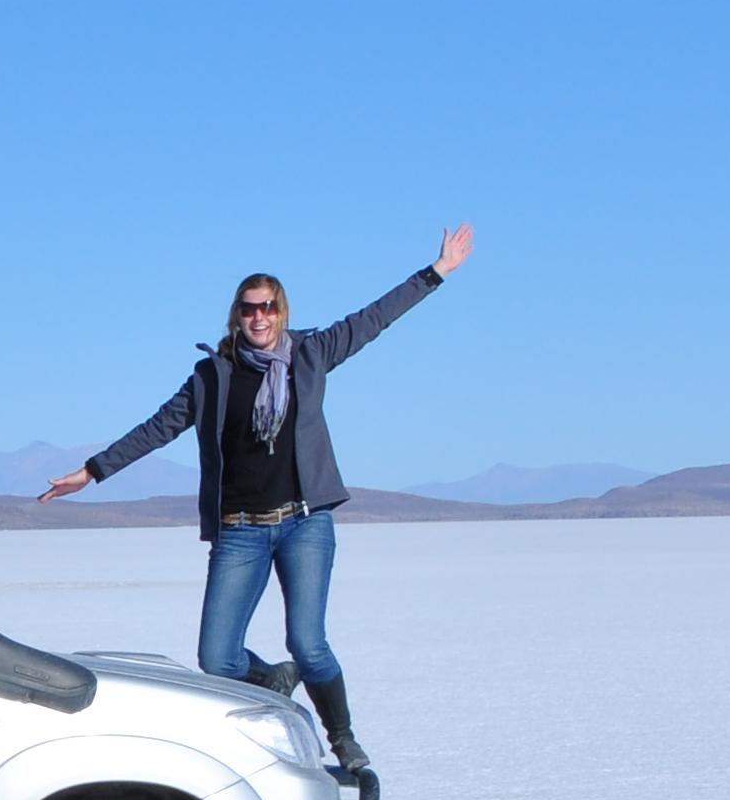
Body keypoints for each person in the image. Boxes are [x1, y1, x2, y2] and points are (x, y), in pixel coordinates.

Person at [37, 227, 476, 770]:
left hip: (303, 522)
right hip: (240, 528)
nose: (259, 317)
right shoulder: (211, 377)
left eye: (268, 307)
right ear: (235, 316)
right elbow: (156, 429)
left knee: (308, 643)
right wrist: (92, 472)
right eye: (249, 310)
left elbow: (373, 319)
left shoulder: (310, 356)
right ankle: (271, 680)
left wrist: (435, 273)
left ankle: (342, 739)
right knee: (217, 659)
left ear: (281, 311)